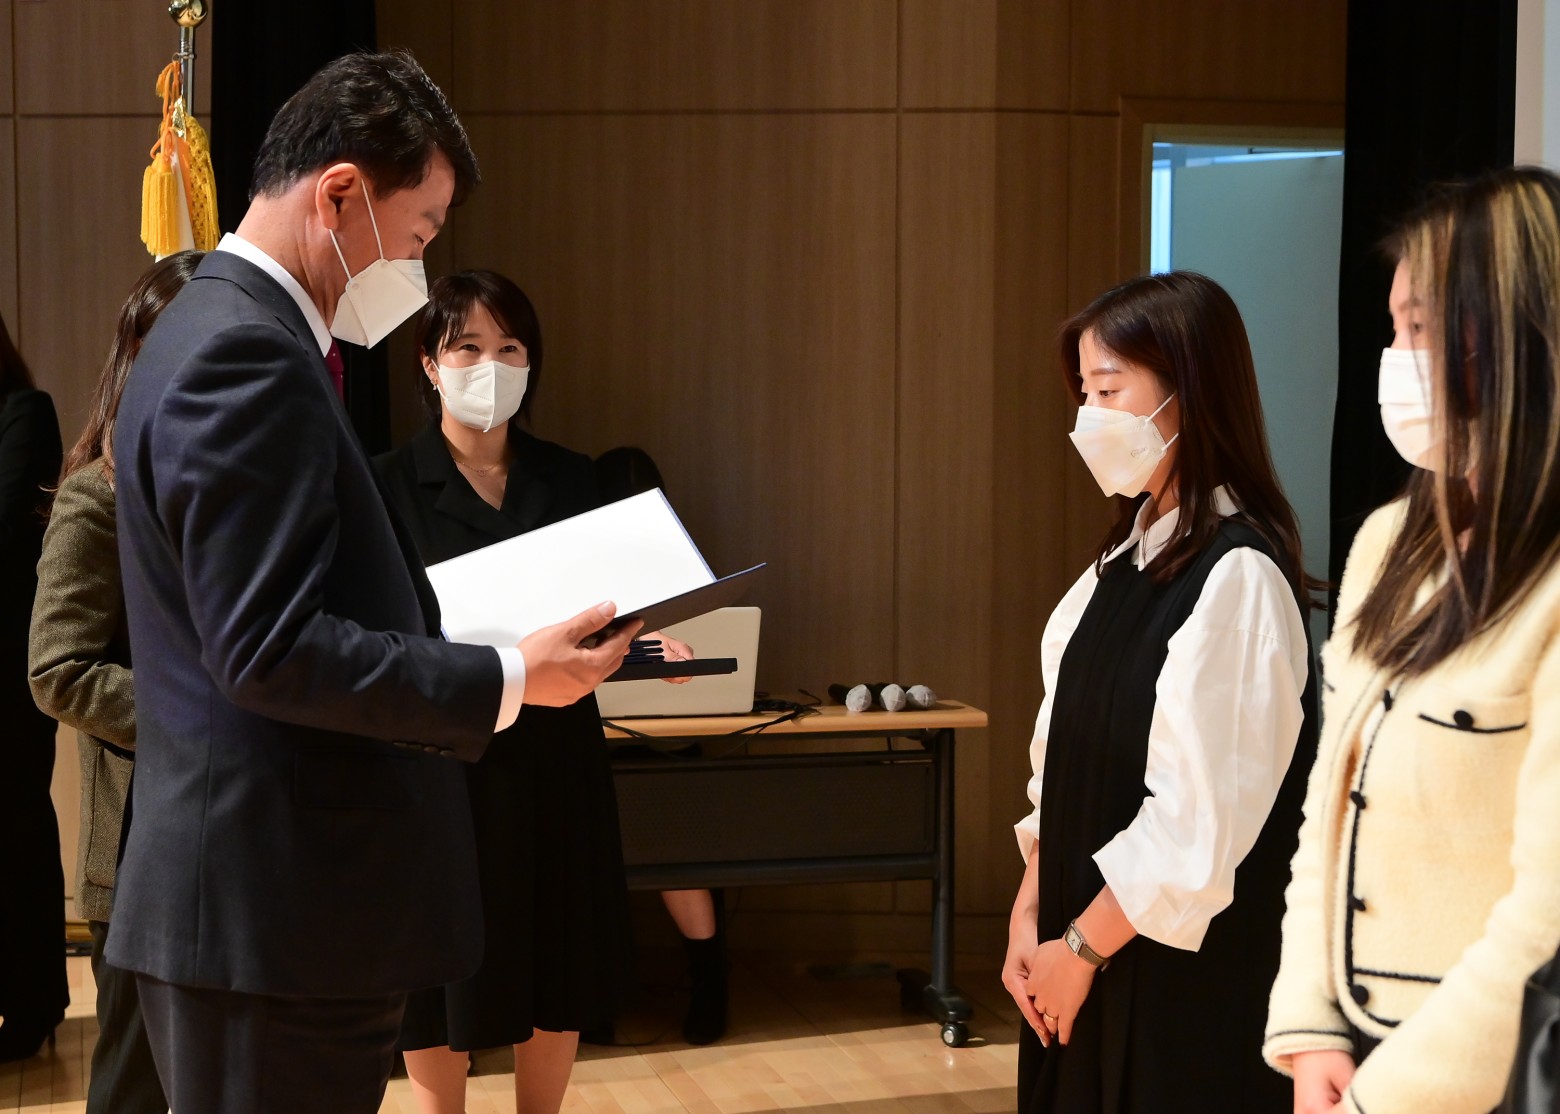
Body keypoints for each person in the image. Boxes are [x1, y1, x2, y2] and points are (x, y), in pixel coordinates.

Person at [106, 52, 638, 1114]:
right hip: (275, 911)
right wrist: (505, 676)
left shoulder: (216, 325)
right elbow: (268, 648)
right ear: (341, 195)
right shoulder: (247, 353)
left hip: (267, 909)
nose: (416, 266)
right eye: (421, 233)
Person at [1265, 166, 1560, 1114]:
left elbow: (1546, 918)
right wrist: (1309, 1026)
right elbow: (1328, 802)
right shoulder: (1391, 541)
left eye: (1420, 329)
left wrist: (1381, 1102)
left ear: (1510, 333)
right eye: (1392, 330)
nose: (1396, 359)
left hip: (1496, 1070)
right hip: (1355, 1048)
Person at [376, 270, 692, 1112]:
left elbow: (600, 612)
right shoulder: (385, 484)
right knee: (437, 969)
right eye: (468, 347)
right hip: (445, 759)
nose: (491, 365)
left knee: (558, 958)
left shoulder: (572, 479)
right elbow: (377, 635)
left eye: (510, 348)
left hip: (557, 757)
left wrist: (639, 644)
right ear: (429, 364)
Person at [1002, 271, 1316, 1112]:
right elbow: (1058, 769)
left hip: (1172, 988)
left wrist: (1080, 947)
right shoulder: (1116, 565)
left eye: (1109, 391)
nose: (1089, 417)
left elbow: (1195, 826)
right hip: (1076, 955)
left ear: (1190, 395)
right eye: (1084, 393)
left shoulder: (1239, 577)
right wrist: (1029, 918)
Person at [27, 251, 200, 1110]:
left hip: (233, 835)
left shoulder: (230, 484)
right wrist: (201, 715)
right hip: (140, 843)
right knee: (135, 1086)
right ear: (138, 353)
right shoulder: (97, 495)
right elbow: (58, 671)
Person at [594, 445, 728, 1046]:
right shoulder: (570, 565)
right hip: (590, 738)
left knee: (674, 839)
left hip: (668, 738)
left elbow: (714, 642)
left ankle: (710, 982)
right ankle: (592, 994)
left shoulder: (680, 564)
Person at [0, 308, 65, 1063]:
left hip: (4, 667)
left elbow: (6, 523)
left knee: (13, 824)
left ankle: (34, 999)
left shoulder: (24, 411)